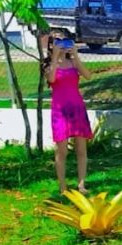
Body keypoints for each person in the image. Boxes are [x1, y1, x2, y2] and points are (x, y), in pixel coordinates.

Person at [45, 34, 92, 194]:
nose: (62, 45)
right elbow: (51, 79)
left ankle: (81, 184)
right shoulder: (48, 65)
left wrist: (75, 57)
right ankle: (62, 186)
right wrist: (55, 58)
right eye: (58, 42)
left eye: (64, 41)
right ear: (51, 46)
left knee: (81, 149)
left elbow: (88, 75)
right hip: (60, 111)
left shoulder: (73, 62)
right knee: (62, 150)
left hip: (77, 108)